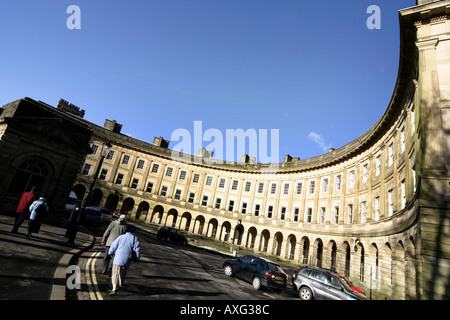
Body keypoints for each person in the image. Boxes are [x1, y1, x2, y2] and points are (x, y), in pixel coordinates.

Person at [107, 224, 140, 295]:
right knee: (122, 274)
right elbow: (137, 250)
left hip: (117, 259)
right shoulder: (135, 239)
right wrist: (137, 258)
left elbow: (113, 246)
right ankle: (118, 286)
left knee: (115, 273)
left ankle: (114, 288)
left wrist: (109, 253)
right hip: (127, 260)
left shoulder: (120, 237)